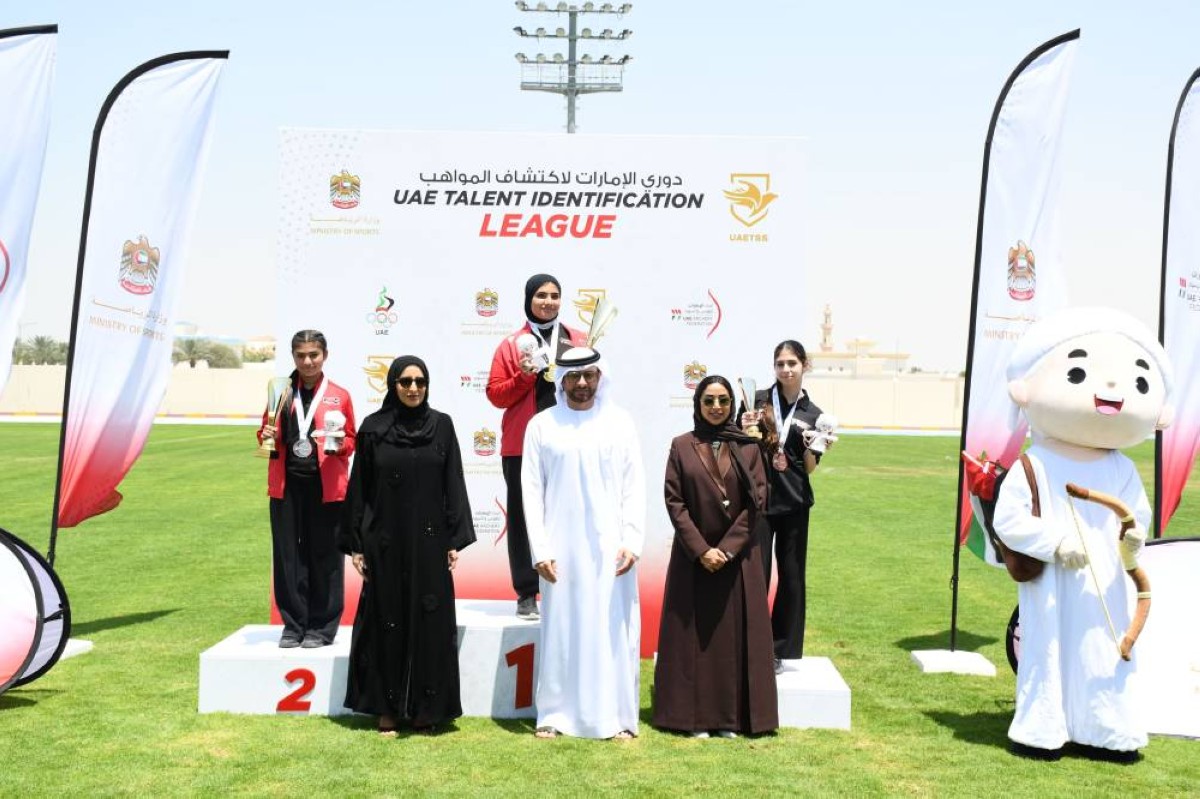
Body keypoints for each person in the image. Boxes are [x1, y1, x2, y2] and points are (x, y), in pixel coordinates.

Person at [994, 308, 1173, 761]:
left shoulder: (1120, 467)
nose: (1111, 388)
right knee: (1048, 649)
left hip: (1106, 579)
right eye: (1077, 373)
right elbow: (1009, 519)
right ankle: (1042, 729)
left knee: (1102, 649)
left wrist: (1133, 536)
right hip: (1053, 580)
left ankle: (1107, 731)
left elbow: (1135, 514)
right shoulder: (1035, 463)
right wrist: (1055, 544)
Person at [339, 355, 476, 736]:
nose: (413, 388)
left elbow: (453, 482)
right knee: (387, 618)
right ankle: (386, 707)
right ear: (393, 385)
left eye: (420, 381)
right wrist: (357, 545)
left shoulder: (442, 426)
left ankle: (425, 709)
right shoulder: (373, 428)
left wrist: (454, 539)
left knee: (430, 622)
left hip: (430, 540)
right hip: (384, 541)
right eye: (405, 382)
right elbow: (360, 488)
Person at [521, 346, 645, 740]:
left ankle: (617, 718)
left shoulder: (620, 423)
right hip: (561, 548)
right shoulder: (542, 425)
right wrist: (540, 550)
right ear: (561, 381)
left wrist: (632, 540)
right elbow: (531, 491)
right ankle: (554, 715)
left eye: (589, 375)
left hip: (612, 549)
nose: (581, 383)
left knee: (612, 630)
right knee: (562, 629)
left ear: (599, 377)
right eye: (573, 376)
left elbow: (634, 486)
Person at [655, 376, 778, 738]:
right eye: (708, 400)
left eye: (723, 400)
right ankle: (692, 719)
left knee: (732, 643)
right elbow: (674, 501)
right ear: (698, 404)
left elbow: (757, 502)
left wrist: (725, 549)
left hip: (737, 560)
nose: (716, 407)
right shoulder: (681, 445)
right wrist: (701, 550)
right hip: (693, 560)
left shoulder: (748, 447)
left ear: (732, 405)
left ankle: (730, 719)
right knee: (694, 642)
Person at [487, 274, 587, 621]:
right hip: (522, 445)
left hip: (570, 442)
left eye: (554, 295)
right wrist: (525, 375)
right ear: (528, 299)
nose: (548, 301)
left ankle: (570, 585)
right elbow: (496, 394)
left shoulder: (577, 339)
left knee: (571, 511)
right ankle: (527, 592)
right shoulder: (511, 345)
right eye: (541, 295)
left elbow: (594, 385)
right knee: (521, 516)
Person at [259, 330, 356, 648]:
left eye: (313, 355)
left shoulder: (339, 395)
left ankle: (322, 627)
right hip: (286, 487)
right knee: (288, 557)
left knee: (326, 556)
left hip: (326, 487)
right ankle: (293, 624)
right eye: (301, 355)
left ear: (324, 355)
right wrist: (267, 435)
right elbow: (265, 433)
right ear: (293, 357)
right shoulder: (280, 392)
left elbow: (352, 439)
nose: (308, 361)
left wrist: (340, 444)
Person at [740, 339, 828, 670]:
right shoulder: (758, 401)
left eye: (792, 363)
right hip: (759, 501)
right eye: (780, 363)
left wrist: (815, 447)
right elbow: (739, 444)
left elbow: (809, 467)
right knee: (756, 576)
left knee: (791, 577)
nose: (786, 369)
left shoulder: (815, 415)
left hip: (794, 503)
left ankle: (778, 649)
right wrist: (743, 427)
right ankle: (750, 643)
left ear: (805, 365)